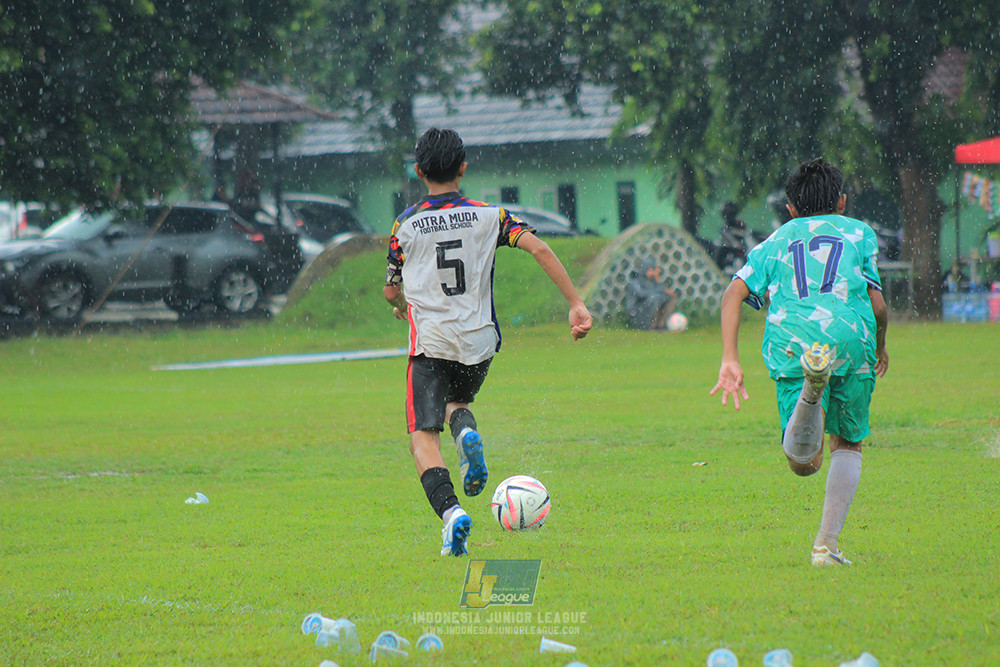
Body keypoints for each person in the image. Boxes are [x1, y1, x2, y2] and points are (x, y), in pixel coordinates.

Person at [383, 128, 593, 557]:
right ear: (463, 168)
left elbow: (390, 288)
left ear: (419, 171)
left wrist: (400, 302)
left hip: (431, 345)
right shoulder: (490, 216)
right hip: (479, 343)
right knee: (456, 402)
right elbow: (539, 249)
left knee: (422, 437)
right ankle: (466, 434)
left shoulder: (405, 224)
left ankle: (451, 514)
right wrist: (575, 303)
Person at [710, 158, 889, 567]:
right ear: (842, 201)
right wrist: (879, 347)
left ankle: (811, 390)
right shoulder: (859, 233)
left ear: (790, 209)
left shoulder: (776, 239)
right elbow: (877, 305)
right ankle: (826, 546)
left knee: (803, 464)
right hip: (852, 339)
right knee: (848, 443)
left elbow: (733, 293)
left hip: (796, 342)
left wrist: (729, 357)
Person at [625, 258, 677, 330]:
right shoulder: (636, 282)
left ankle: (660, 325)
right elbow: (642, 294)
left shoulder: (653, 281)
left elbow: (661, 292)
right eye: (650, 270)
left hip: (648, 307)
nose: (652, 272)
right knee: (654, 298)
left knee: (669, 299)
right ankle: (651, 325)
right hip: (638, 312)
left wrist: (657, 279)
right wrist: (659, 291)